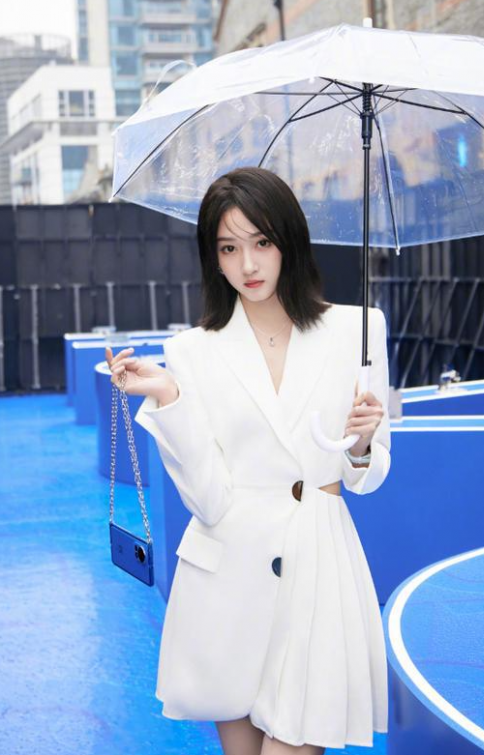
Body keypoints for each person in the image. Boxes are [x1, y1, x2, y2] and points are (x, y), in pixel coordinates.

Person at [105, 166, 391, 755]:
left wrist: (363, 444)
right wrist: (170, 398)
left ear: (289, 240)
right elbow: (208, 501)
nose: (248, 264)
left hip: (318, 566)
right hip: (226, 579)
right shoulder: (192, 351)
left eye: (262, 241)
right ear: (213, 258)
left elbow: (367, 478)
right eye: (229, 248)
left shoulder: (358, 330)